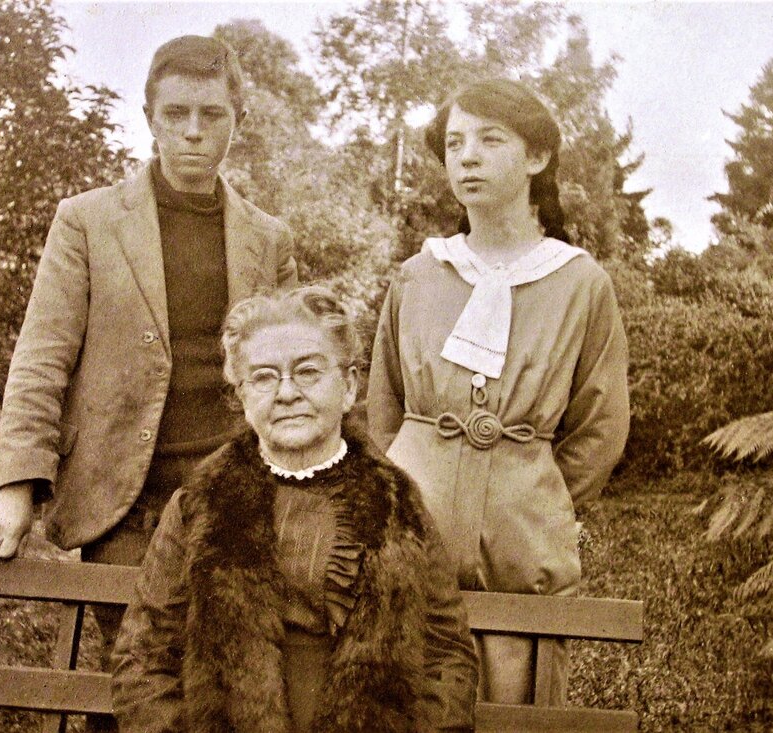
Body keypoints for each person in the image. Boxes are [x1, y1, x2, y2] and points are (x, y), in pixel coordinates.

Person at [0, 35, 297, 729]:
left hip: (233, 500)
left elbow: (293, 372)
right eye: (176, 112)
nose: (193, 131)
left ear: (236, 117)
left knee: (227, 684)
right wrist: (15, 487)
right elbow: (41, 357)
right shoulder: (87, 221)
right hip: (125, 504)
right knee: (138, 678)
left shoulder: (269, 239)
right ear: (149, 115)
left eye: (211, 114)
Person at [367, 77, 630, 705]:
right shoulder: (418, 275)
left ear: (537, 158)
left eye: (490, 140)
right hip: (413, 532)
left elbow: (601, 424)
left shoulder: (579, 282)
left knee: (516, 709)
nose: (468, 158)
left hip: (522, 549)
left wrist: (533, 492)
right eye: (455, 145)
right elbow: (384, 408)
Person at [111, 285, 478, 733]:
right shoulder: (200, 503)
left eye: (307, 372)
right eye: (264, 377)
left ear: (347, 387)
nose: (286, 393)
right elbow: (144, 658)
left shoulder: (396, 506)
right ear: (242, 396)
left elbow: (446, 660)